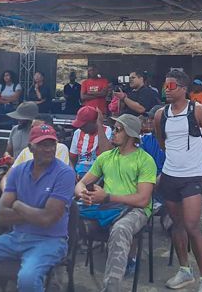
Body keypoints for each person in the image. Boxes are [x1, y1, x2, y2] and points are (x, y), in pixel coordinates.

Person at [0, 123, 75, 292]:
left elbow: (47, 220)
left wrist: (16, 204)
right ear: (31, 147)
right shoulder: (19, 171)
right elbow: (2, 216)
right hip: (16, 236)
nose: (48, 149)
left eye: (52, 144)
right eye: (42, 144)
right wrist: (37, 212)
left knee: (27, 279)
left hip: (50, 241)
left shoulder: (65, 173)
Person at [75, 114, 157, 292]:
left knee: (120, 229)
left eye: (118, 130)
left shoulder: (145, 161)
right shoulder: (105, 157)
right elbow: (81, 183)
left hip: (136, 209)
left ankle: (111, 288)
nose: (113, 133)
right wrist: (84, 195)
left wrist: (107, 197)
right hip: (106, 206)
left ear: (130, 134)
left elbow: (143, 200)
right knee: (64, 211)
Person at [154, 70, 202, 292]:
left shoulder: (199, 111)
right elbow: (162, 142)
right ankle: (184, 270)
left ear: (183, 88)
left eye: (171, 86)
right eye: (165, 86)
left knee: (192, 226)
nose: (166, 90)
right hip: (170, 175)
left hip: (192, 176)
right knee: (176, 224)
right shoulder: (161, 115)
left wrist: (199, 162)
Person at [69, 106, 113, 179]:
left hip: (100, 174)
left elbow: (106, 155)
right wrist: (73, 173)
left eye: (83, 125)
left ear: (94, 122)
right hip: (80, 173)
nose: (80, 127)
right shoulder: (78, 132)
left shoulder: (108, 131)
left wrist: (99, 124)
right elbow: (72, 158)